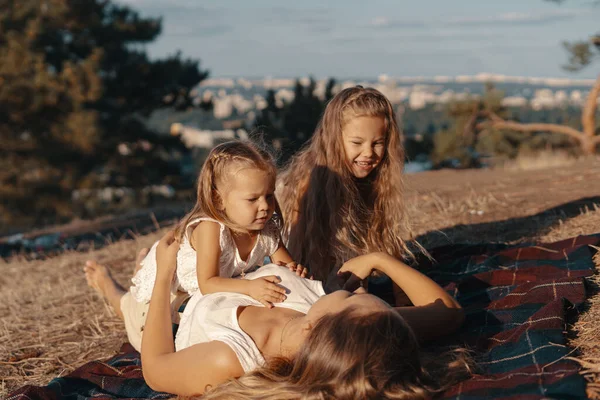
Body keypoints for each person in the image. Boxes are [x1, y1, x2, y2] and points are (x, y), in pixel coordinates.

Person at [84, 231, 468, 398]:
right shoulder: (369, 336)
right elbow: (448, 314)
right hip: (225, 280)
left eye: (353, 298)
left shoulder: (230, 358)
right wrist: (377, 260)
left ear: (319, 326)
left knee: (134, 305)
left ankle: (112, 290)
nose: (357, 289)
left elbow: (154, 368)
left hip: (170, 316)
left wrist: (164, 273)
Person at [85, 140, 303, 351]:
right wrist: (250, 287)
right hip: (168, 294)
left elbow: (285, 266)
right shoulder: (211, 228)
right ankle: (108, 284)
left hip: (194, 297)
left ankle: (142, 265)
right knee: (131, 314)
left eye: (269, 195)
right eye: (252, 199)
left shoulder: (267, 228)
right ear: (219, 200)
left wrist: (295, 271)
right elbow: (208, 283)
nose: (265, 206)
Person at [277, 86, 421, 286]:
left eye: (378, 143)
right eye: (357, 142)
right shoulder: (310, 182)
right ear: (334, 140)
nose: (368, 153)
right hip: (312, 278)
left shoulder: (378, 180)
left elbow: (384, 240)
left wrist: (399, 287)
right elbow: (295, 255)